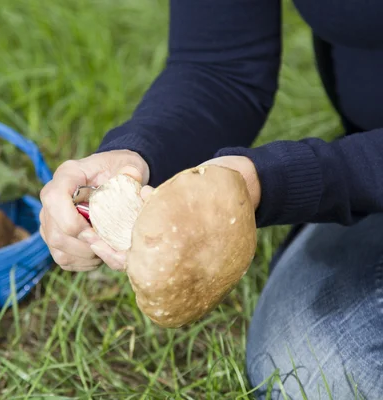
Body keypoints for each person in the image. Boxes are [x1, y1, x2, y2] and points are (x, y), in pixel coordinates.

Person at [38, 1, 383, 398]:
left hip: (351, 170)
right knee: (313, 365)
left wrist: (281, 179)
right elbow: (220, 66)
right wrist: (138, 155)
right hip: (367, 185)